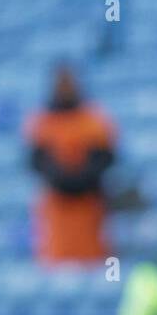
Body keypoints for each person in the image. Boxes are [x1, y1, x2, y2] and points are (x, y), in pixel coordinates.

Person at [25, 65, 117, 264]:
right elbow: (38, 162)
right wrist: (63, 180)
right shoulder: (42, 122)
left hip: (89, 206)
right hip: (56, 208)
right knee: (57, 264)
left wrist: (78, 181)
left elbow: (102, 159)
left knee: (92, 262)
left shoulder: (93, 120)